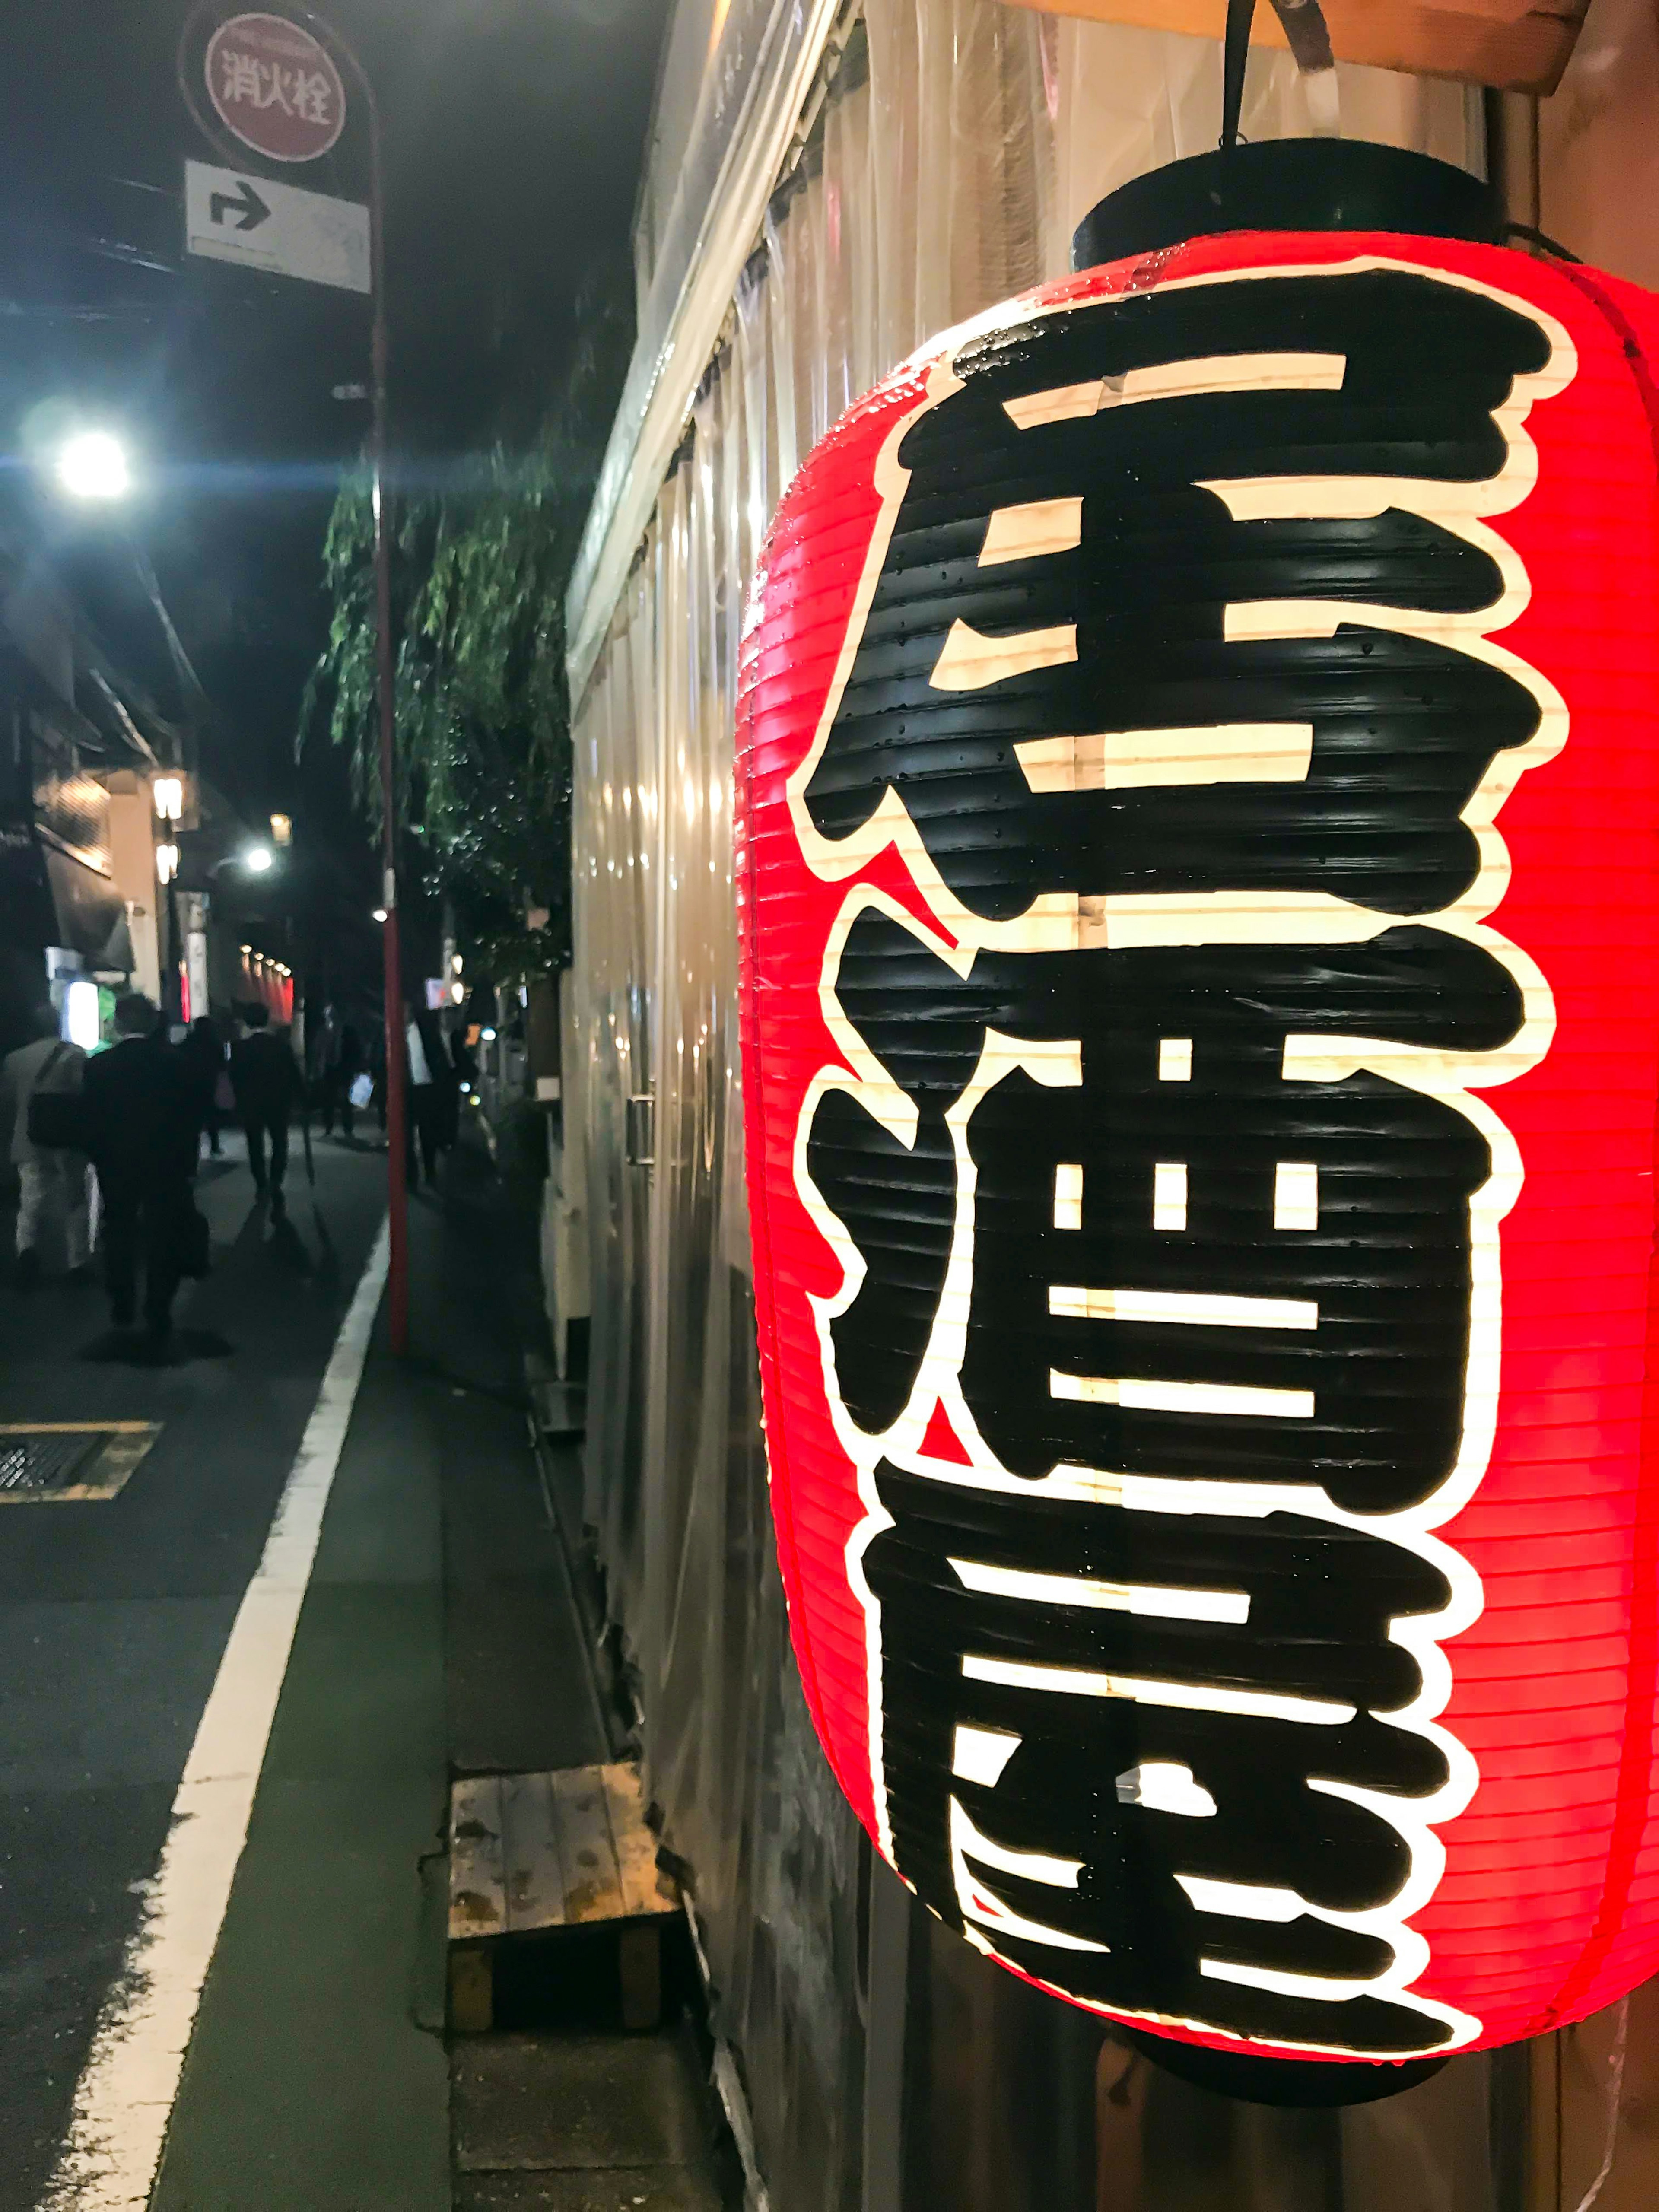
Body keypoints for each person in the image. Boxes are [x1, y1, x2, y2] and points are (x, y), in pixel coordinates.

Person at [80, 992, 197, 1340]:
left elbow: (92, 1120)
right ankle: (158, 1308)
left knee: (119, 1231)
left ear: (118, 1023)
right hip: (166, 1162)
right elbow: (188, 1119)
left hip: (117, 1162)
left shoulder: (99, 1067)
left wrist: (97, 1155)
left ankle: (122, 1303)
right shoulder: (175, 1063)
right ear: (152, 1023)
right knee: (163, 1233)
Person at [3, 1003, 92, 1288]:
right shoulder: (74, 1054)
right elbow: (83, 1094)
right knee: (74, 1201)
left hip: (28, 1138)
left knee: (30, 1202)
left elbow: (7, 1101)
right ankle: (77, 1262)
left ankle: (27, 1253)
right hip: (67, 1138)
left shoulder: (15, 1059)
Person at [229, 1001, 304, 1212]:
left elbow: (234, 1077)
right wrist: (301, 1097)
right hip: (278, 1102)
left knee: (255, 1143)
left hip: (251, 1102)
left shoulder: (240, 1049)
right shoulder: (280, 1046)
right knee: (280, 1141)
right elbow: (293, 1074)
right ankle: (276, 1180)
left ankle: (261, 1182)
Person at [404, 1000, 455, 1191]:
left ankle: (430, 1170)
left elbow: (438, 1055)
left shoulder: (426, 1030)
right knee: (405, 1138)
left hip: (426, 1087)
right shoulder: (393, 1033)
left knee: (428, 1133)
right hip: (406, 1090)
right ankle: (411, 1178)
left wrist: (441, 1083)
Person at [177, 1014, 226, 1163]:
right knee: (212, 1119)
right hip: (210, 1085)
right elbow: (222, 1064)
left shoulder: (188, 1042)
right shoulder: (215, 1043)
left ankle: (193, 1153)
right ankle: (215, 1146)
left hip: (192, 1086)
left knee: (194, 1122)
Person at [314, 1004, 365, 1141]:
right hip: (328, 1070)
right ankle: (328, 1128)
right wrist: (318, 1068)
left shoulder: (348, 1031)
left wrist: (356, 1068)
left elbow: (356, 1051)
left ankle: (348, 1129)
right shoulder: (322, 1032)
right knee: (328, 1101)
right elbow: (318, 1052)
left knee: (345, 1101)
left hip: (344, 1069)